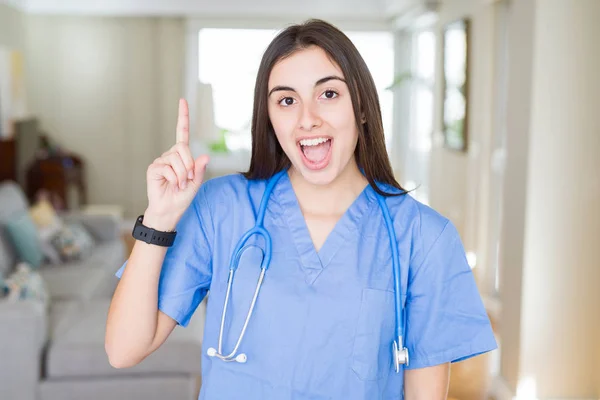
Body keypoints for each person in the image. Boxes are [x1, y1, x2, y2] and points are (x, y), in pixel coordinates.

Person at [105, 19, 497, 400]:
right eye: (287, 100)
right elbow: (123, 351)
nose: (308, 119)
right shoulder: (221, 208)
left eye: (328, 94)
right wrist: (158, 218)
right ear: (270, 117)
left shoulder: (423, 237)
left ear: (361, 107)